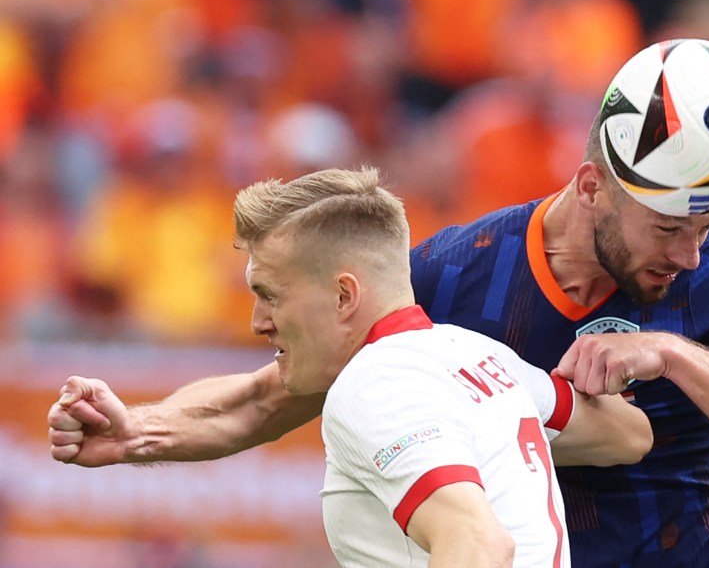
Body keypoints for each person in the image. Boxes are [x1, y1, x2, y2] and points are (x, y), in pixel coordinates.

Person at [50, 39, 709, 567]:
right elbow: (274, 392)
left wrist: (676, 356)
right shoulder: (457, 273)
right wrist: (141, 430)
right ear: (588, 186)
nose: (687, 254)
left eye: (705, 226)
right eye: (665, 228)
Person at [52, 166, 653, 567]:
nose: (259, 321)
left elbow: (476, 544)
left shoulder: (373, 385)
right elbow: (629, 435)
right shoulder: (483, 361)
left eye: (270, 294)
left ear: (344, 296)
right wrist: (136, 431)